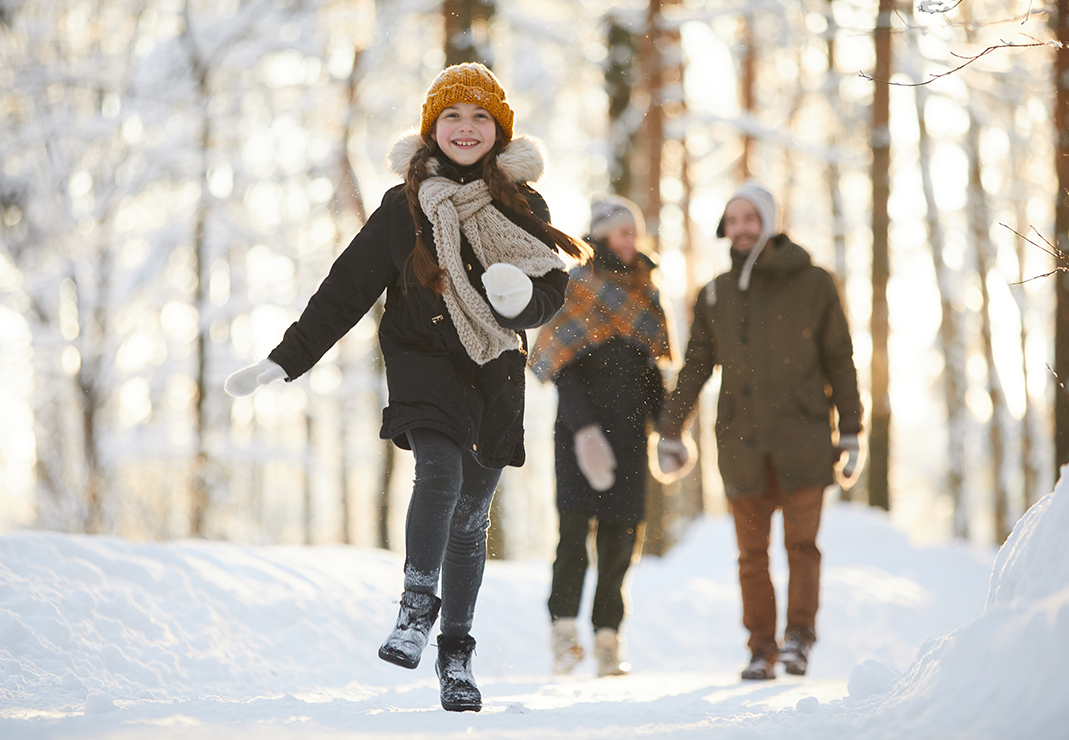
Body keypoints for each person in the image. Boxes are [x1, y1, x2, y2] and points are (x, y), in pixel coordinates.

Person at [224, 62, 589, 712]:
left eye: (480, 117)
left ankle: (456, 654)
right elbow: (345, 291)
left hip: (496, 371)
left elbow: (549, 292)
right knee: (439, 473)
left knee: (471, 519)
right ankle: (416, 606)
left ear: (499, 132)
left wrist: (521, 302)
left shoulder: (522, 204)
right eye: (452, 116)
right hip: (424, 364)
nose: (466, 127)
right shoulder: (403, 208)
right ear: (432, 129)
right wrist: (287, 359)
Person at [656, 183, 862, 681]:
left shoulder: (814, 283)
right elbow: (696, 367)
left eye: (751, 218)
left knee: (801, 547)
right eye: (734, 219)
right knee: (751, 555)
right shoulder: (716, 292)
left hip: (805, 440)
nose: (741, 227)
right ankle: (760, 647)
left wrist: (852, 431)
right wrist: (670, 429)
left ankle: (798, 640)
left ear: (767, 223)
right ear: (725, 228)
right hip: (741, 443)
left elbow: (840, 359)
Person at [529, 196, 673, 677]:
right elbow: (561, 371)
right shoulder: (576, 288)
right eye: (621, 233)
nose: (630, 241)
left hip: (633, 437)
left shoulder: (647, 292)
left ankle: (609, 640)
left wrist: (669, 431)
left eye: (634, 232)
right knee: (573, 540)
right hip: (577, 435)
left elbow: (653, 374)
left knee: (620, 544)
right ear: (601, 237)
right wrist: (586, 432)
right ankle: (564, 635)